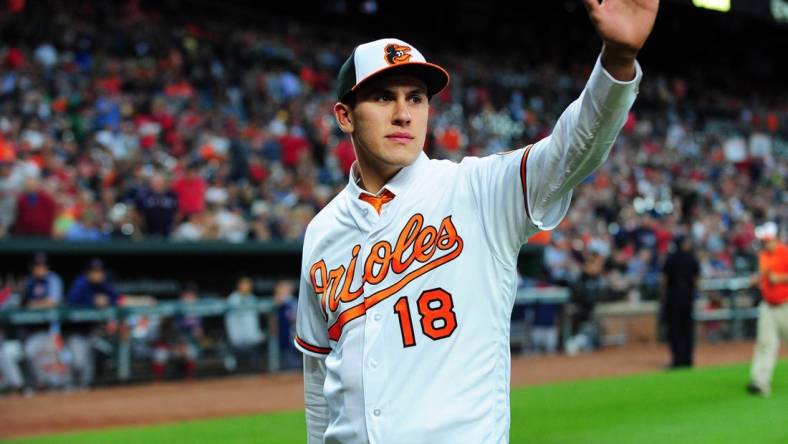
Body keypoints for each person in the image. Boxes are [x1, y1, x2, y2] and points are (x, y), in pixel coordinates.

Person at [294, 2, 658, 442]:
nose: (404, 113)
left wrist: (617, 63)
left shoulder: (479, 190)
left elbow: (571, 150)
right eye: (383, 97)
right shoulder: (322, 231)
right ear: (345, 116)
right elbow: (318, 381)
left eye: (416, 97)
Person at [747, 222, 788, 396]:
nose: (765, 243)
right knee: (765, 343)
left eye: (768, 240)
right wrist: (757, 280)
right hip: (768, 305)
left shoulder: (785, 253)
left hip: (785, 305)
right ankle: (760, 382)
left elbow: (777, 277)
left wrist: (780, 278)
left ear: (775, 238)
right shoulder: (763, 255)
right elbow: (764, 275)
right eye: (764, 240)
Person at [65, 258, 119, 388]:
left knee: (88, 367)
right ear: (88, 273)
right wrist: (92, 301)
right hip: (75, 331)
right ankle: (70, 387)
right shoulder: (81, 283)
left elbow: (116, 299)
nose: (97, 274)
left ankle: (84, 391)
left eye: (99, 271)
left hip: (91, 331)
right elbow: (71, 302)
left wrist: (107, 301)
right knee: (78, 362)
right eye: (94, 271)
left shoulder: (103, 284)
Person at [21, 253, 71, 390]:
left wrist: (34, 305)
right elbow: (23, 304)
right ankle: (38, 385)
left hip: (53, 328)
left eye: (43, 266)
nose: (40, 269)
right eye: (37, 266)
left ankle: (63, 385)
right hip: (34, 330)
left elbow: (52, 302)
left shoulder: (53, 279)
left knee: (59, 356)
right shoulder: (29, 282)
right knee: (30, 353)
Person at [661, 235, 700, 368]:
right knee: (687, 329)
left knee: (675, 329)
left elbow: (664, 281)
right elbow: (697, 280)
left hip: (673, 298)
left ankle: (677, 359)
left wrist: (663, 297)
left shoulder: (670, 259)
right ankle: (688, 358)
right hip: (688, 298)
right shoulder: (692, 258)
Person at [224, 276, 265, 372]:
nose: (247, 286)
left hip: (253, 339)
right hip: (238, 339)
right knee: (240, 368)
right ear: (239, 285)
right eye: (244, 284)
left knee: (254, 366)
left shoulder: (252, 298)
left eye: (248, 284)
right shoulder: (233, 299)